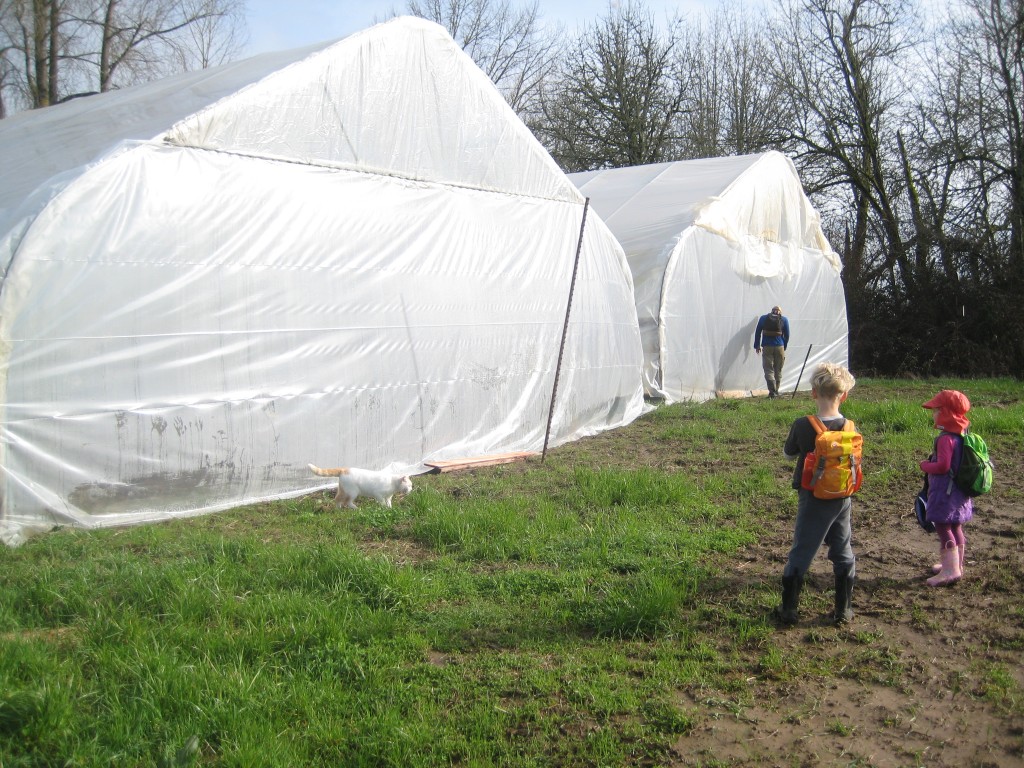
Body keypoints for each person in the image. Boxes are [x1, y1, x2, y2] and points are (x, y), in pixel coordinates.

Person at [775, 362, 858, 626]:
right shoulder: (849, 427)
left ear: (813, 393)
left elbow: (789, 454)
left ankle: (788, 610)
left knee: (802, 550)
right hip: (842, 496)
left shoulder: (803, 425)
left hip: (813, 497)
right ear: (843, 395)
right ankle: (843, 610)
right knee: (842, 549)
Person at [920, 390, 973, 586]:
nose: (933, 414)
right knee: (956, 525)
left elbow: (942, 466)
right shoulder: (963, 434)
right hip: (959, 491)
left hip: (945, 492)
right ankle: (956, 565)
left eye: (935, 410)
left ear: (945, 412)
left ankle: (950, 571)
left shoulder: (945, 439)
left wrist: (925, 465)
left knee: (943, 527)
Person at [754, 305, 790, 398]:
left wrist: (757, 346)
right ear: (780, 312)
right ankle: (776, 391)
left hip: (767, 347)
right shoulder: (784, 319)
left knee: (768, 369)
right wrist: (784, 346)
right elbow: (787, 335)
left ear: (771, 311)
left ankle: (772, 392)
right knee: (778, 369)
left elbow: (758, 332)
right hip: (779, 347)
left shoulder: (763, 318)